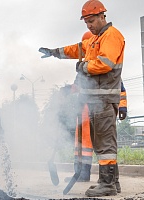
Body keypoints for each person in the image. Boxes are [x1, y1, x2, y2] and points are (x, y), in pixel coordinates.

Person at [39, 0, 125, 197]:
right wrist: (54, 53)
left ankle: (107, 184)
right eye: (86, 22)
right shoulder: (95, 39)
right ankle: (114, 182)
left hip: (104, 99)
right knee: (103, 144)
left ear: (103, 16)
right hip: (96, 100)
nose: (89, 25)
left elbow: (106, 63)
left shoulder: (111, 36)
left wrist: (83, 67)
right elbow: (76, 49)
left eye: (92, 21)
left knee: (105, 145)